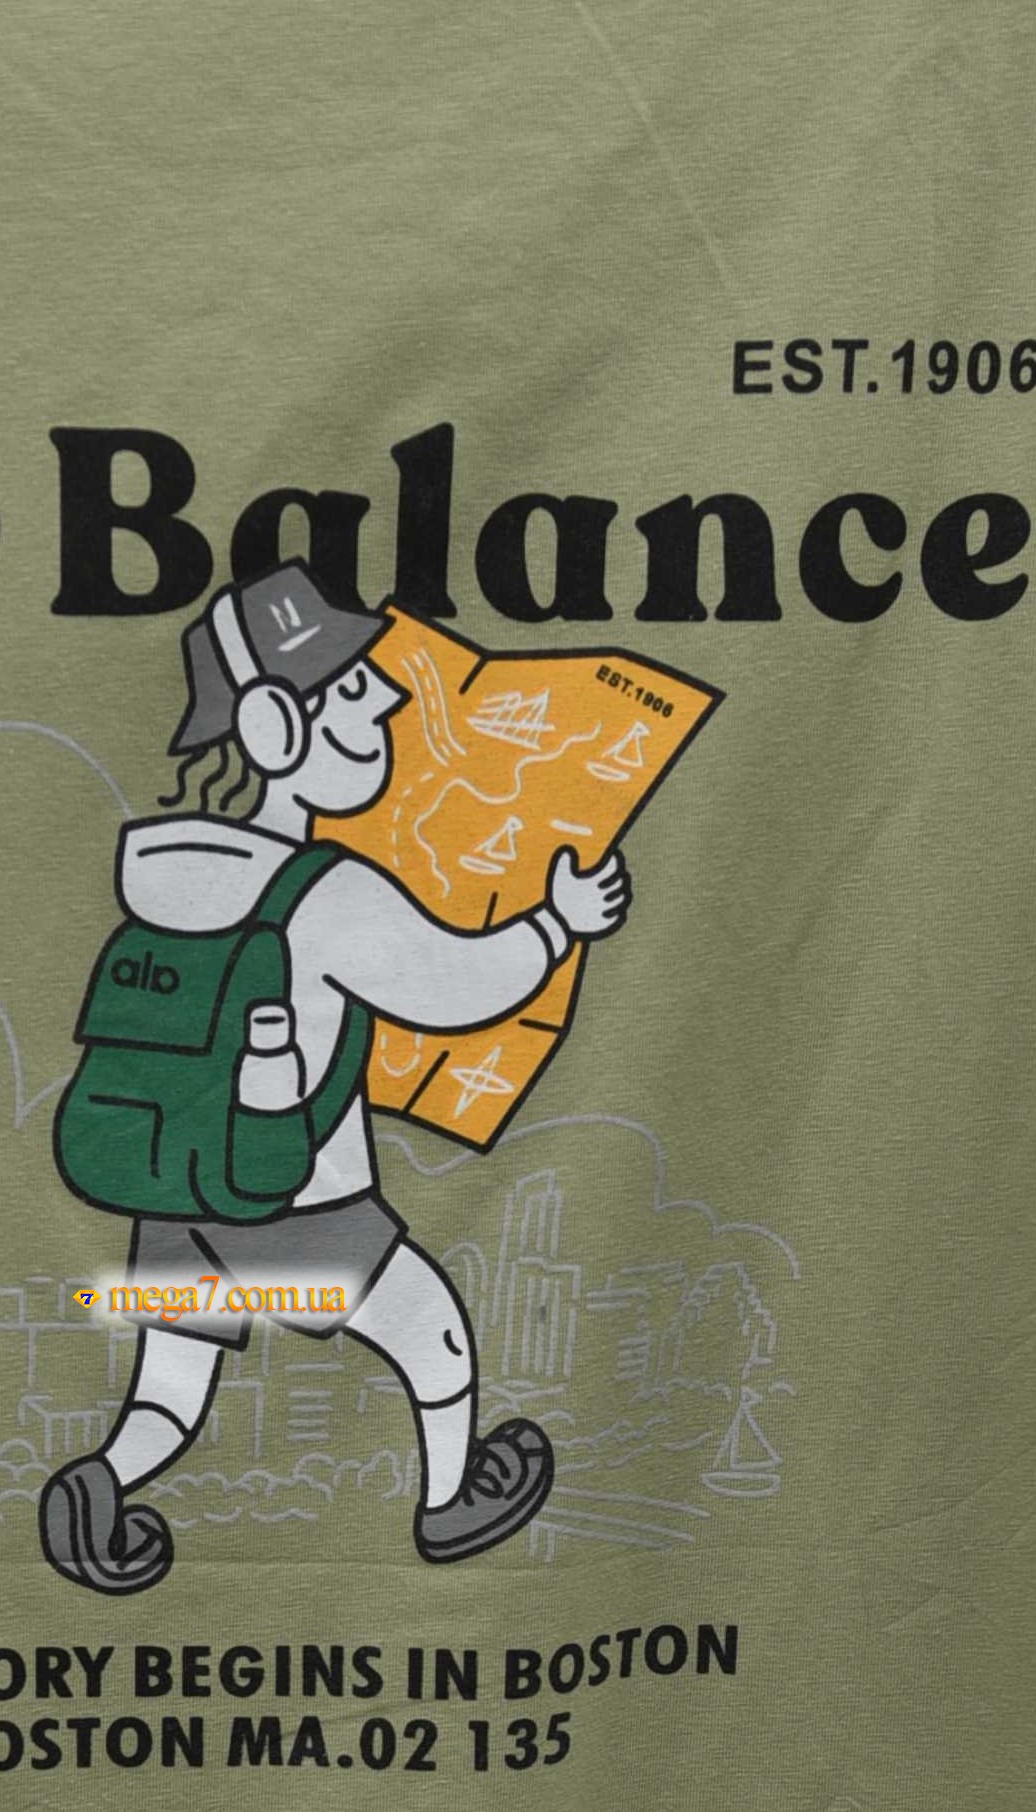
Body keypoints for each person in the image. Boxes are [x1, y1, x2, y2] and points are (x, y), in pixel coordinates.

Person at [42, 563, 631, 1594]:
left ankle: (98, 1486)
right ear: (274, 729)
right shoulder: (322, 891)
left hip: (176, 1187)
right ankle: (451, 1503)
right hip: (292, 1198)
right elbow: (455, 986)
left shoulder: (173, 884)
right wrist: (558, 923)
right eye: (351, 687)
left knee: (171, 1380)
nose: (386, 701)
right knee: (432, 1334)